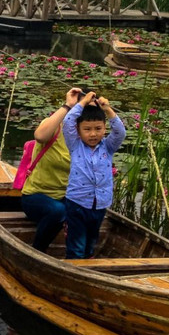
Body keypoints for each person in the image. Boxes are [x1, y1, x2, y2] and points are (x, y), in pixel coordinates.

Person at [62, 91, 126, 259]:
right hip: (77, 202)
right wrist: (82, 103)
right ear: (78, 130)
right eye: (87, 129)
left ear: (104, 128)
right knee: (77, 242)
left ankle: (88, 261)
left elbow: (120, 132)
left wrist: (108, 110)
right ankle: (73, 266)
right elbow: (68, 121)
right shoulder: (75, 145)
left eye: (98, 129)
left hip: (100, 203)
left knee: (92, 239)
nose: (92, 134)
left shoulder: (108, 147)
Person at [21, 87, 81, 251]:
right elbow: (40, 136)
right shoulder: (55, 128)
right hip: (35, 196)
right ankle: (37, 251)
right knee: (58, 211)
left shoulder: (86, 136)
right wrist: (68, 105)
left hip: (65, 197)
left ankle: (79, 254)